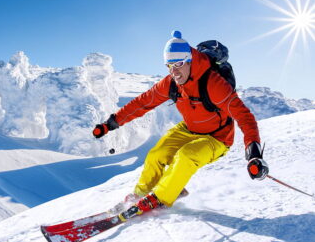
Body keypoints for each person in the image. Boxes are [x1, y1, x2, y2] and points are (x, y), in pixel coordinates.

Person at [93, 31, 269, 213]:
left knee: (186, 155)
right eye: (169, 66)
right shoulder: (171, 83)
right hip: (189, 129)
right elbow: (142, 103)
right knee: (156, 154)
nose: (174, 71)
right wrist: (110, 123)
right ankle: (139, 195)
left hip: (217, 137)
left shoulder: (213, 84)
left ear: (190, 60)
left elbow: (244, 116)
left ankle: (160, 198)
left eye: (178, 64)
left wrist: (254, 153)